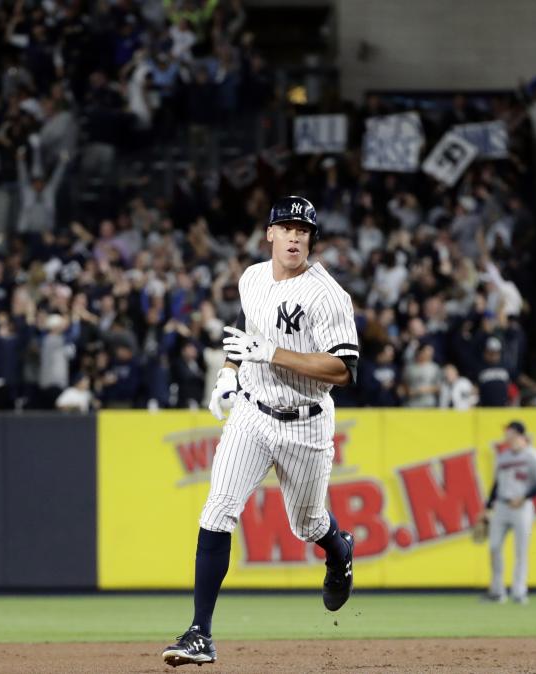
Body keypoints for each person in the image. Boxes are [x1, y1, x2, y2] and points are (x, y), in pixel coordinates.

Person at [163, 196, 359, 667]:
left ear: (311, 239)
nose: (294, 236)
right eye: (286, 227)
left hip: (306, 421)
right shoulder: (252, 277)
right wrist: (229, 370)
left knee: (307, 524)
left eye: (303, 230)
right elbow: (245, 322)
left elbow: (344, 368)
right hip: (251, 413)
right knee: (217, 510)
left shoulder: (327, 294)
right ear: (269, 233)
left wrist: (269, 353)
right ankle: (199, 634)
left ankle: (339, 548)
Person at [481, 421, 536, 605]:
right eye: (506, 433)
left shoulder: (532, 455)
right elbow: (496, 484)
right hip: (502, 506)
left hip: (522, 507)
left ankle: (519, 592)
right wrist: (488, 507)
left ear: (520, 435)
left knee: (521, 551)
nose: (507, 436)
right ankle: (497, 592)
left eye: (510, 433)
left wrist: (525, 496)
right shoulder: (503, 457)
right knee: (494, 547)